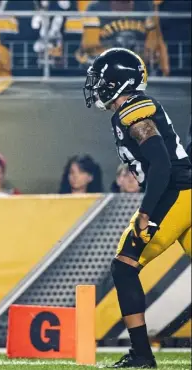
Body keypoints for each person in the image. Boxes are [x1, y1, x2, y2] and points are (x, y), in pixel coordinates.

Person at [84, 48, 191, 368]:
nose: (96, 86)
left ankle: (142, 354)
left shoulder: (135, 111)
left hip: (176, 193)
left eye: (100, 80)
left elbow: (160, 164)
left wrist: (146, 212)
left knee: (124, 265)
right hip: (183, 191)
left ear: (117, 82)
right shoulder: (131, 109)